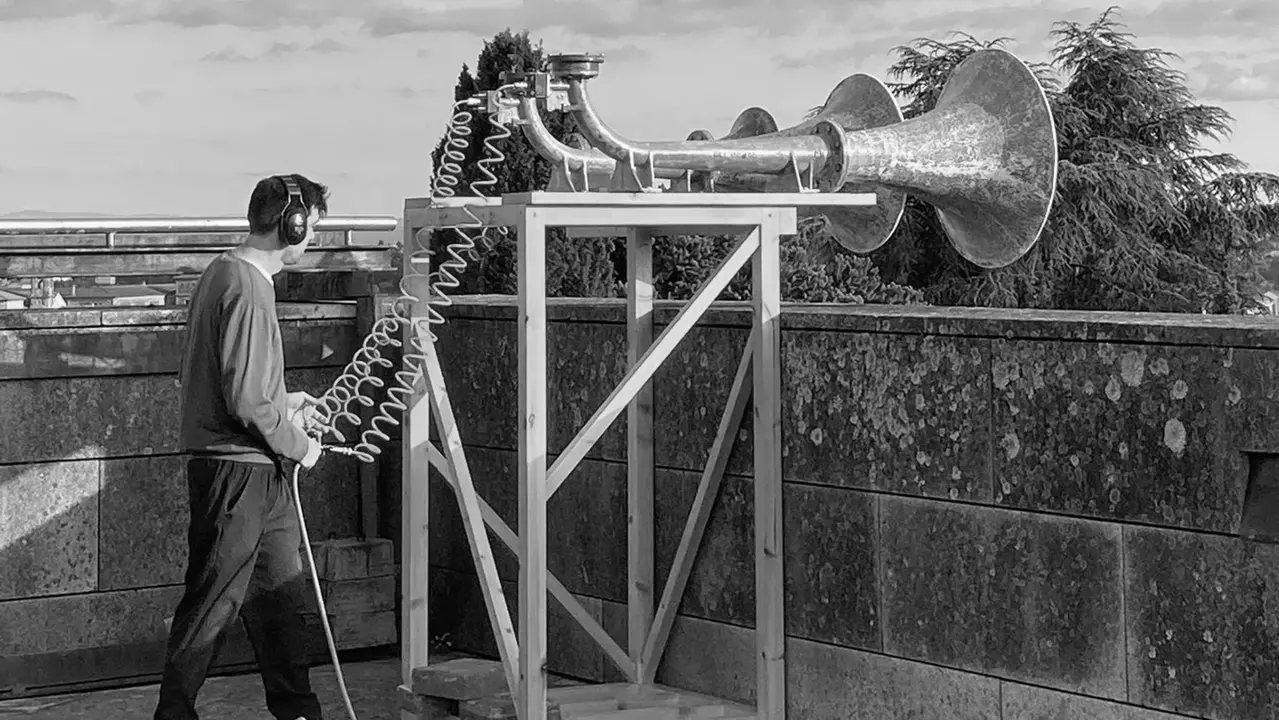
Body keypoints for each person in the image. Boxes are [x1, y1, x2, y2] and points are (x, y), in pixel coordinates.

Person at [154, 174, 330, 720]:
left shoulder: (223, 272)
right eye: (311, 228)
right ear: (290, 226)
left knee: (281, 602)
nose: (312, 239)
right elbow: (248, 402)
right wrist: (300, 445)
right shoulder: (250, 290)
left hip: (250, 470)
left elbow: (234, 383)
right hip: (239, 472)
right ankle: (173, 714)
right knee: (212, 603)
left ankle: (298, 710)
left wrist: (284, 400)